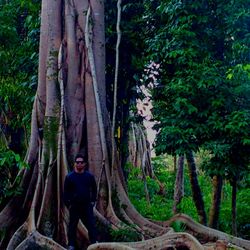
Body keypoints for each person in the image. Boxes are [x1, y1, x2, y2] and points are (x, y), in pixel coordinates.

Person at [64, 153, 97, 249]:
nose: (79, 164)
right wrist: (68, 204)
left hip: (86, 205)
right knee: (72, 226)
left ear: (84, 164)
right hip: (74, 206)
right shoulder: (70, 177)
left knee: (91, 225)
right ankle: (71, 245)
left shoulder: (89, 176)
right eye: (77, 162)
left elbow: (94, 189)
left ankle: (94, 244)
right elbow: (66, 192)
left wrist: (93, 201)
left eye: (81, 162)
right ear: (74, 164)